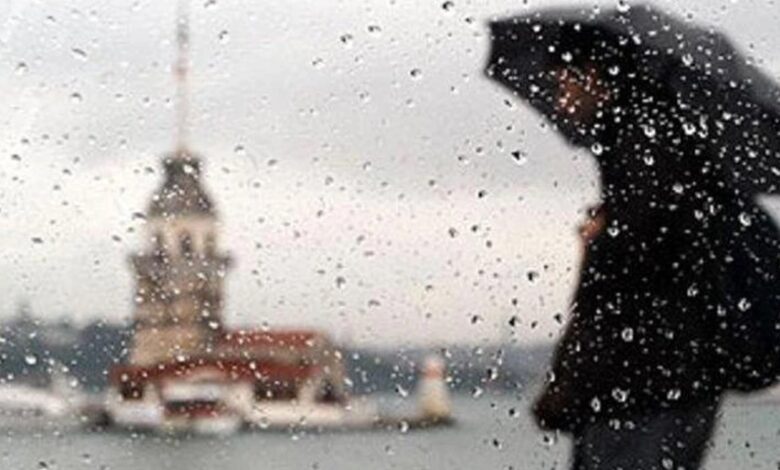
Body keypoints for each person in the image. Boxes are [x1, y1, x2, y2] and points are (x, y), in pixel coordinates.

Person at [531, 61, 780, 470]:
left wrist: (601, 238)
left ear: (594, 75)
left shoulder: (647, 144)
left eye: (565, 86)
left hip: (647, 383)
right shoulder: (647, 145)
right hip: (659, 381)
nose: (561, 101)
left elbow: (646, 262)